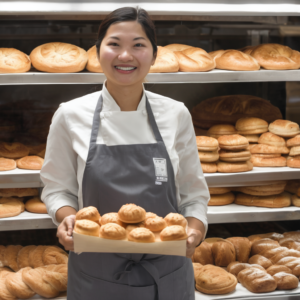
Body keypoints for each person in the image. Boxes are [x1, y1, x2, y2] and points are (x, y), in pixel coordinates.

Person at [41, 6, 209, 300]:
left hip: (167, 273)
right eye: (114, 44)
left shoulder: (175, 114)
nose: (125, 56)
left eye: (139, 45)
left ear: (154, 55)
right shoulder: (70, 115)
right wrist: (66, 218)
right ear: (98, 51)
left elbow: (193, 194)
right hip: (96, 273)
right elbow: (58, 189)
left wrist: (194, 231)